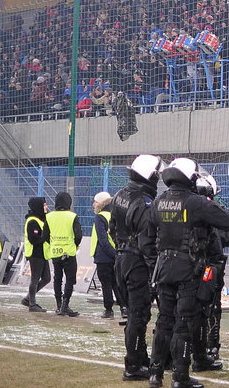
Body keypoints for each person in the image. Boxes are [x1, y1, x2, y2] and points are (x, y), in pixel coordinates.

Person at [147, 157, 229, 388]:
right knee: (184, 323)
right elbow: (228, 221)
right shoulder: (196, 203)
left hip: (164, 268)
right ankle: (180, 377)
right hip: (189, 269)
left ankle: (155, 374)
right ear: (191, 177)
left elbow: (149, 235)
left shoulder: (159, 201)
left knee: (164, 320)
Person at [109, 154, 163, 381]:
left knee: (134, 313)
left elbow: (112, 228)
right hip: (137, 262)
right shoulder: (144, 203)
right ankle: (133, 365)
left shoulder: (120, 194)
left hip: (121, 258)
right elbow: (147, 243)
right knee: (138, 314)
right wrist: (154, 272)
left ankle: (140, 359)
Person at [194, 171, 229, 373]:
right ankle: (209, 349)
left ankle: (179, 352)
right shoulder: (214, 210)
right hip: (211, 267)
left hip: (189, 266)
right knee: (211, 309)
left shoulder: (187, 206)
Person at [46, 191, 83, 317]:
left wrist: (54, 242)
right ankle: (65, 305)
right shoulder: (72, 216)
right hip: (69, 252)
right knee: (70, 279)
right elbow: (78, 235)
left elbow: (45, 235)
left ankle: (58, 304)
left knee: (58, 278)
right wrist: (75, 244)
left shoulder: (49, 216)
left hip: (55, 251)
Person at [92, 191, 119, 319]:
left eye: (96, 201)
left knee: (106, 283)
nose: (94, 204)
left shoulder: (100, 217)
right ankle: (124, 307)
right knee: (116, 282)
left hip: (103, 256)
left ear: (101, 203)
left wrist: (110, 253)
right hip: (116, 254)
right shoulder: (115, 215)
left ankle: (108, 310)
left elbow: (102, 239)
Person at [22, 196, 52, 312]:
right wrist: (44, 237)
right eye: (44, 205)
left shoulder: (41, 219)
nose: (46, 207)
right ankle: (32, 304)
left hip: (42, 253)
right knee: (35, 279)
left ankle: (28, 298)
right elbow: (33, 239)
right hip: (35, 254)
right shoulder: (32, 221)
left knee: (47, 278)